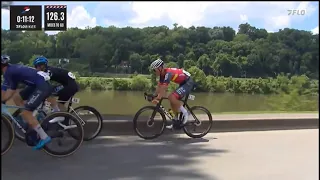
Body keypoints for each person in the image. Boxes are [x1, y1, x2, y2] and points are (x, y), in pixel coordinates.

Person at [1, 55, 52, 150]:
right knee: (17, 97)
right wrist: (3, 99)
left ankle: (44, 137)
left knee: (26, 112)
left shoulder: (9, 72)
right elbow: (5, 89)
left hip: (42, 86)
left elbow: (10, 91)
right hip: (37, 84)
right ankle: (29, 119)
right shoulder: (11, 70)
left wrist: (3, 100)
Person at [150, 58, 195, 128]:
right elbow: (159, 86)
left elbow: (164, 88)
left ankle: (185, 113)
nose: (154, 72)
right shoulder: (162, 75)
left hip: (188, 82)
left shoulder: (168, 73)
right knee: (171, 100)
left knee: (171, 97)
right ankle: (175, 121)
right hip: (182, 83)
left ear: (160, 68)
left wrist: (158, 98)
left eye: (154, 70)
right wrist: (154, 95)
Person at [32, 56, 79, 123]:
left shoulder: (48, 72)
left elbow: (44, 83)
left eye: (37, 66)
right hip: (70, 84)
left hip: (69, 86)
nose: (36, 68)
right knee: (58, 101)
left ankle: (58, 114)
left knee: (49, 93)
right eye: (36, 67)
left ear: (42, 66)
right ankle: (62, 116)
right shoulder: (48, 70)